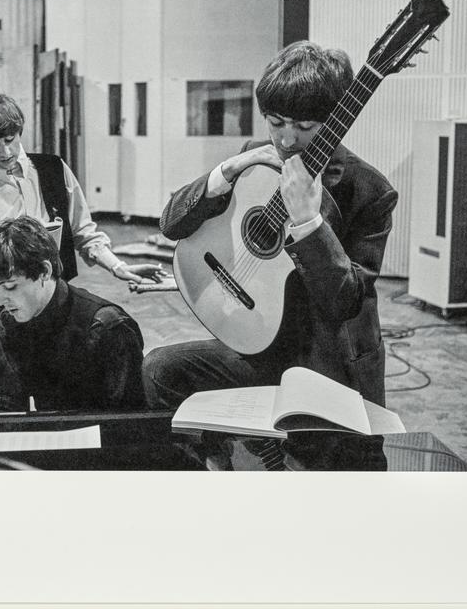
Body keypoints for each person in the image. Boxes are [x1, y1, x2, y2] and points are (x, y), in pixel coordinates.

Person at [142, 41, 398, 409]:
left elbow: (344, 302)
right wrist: (230, 168)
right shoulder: (257, 155)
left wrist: (309, 222)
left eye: (305, 126)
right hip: (258, 339)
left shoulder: (370, 191)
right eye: (275, 122)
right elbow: (172, 224)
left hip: (326, 361)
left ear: (333, 123)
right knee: (157, 370)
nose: (286, 139)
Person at [0, 91, 164, 386]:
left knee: (62, 395)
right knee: (4, 402)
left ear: (20, 130)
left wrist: (118, 267)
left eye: (10, 140)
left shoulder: (54, 170)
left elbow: (85, 232)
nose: (5, 152)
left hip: (55, 313)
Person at [0, 217, 146, 412]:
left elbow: (132, 422)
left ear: (44, 271)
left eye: (10, 286)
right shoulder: (11, 319)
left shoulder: (107, 327)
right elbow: (3, 400)